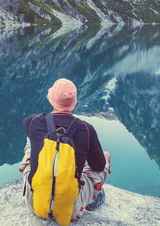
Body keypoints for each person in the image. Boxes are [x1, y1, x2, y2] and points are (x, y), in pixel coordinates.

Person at [19, 78, 111, 223]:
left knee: (31, 142)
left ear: (51, 99)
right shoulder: (86, 129)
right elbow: (98, 166)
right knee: (105, 156)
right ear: (74, 103)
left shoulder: (32, 121)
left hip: (34, 203)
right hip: (70, 212)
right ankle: (92, 200)